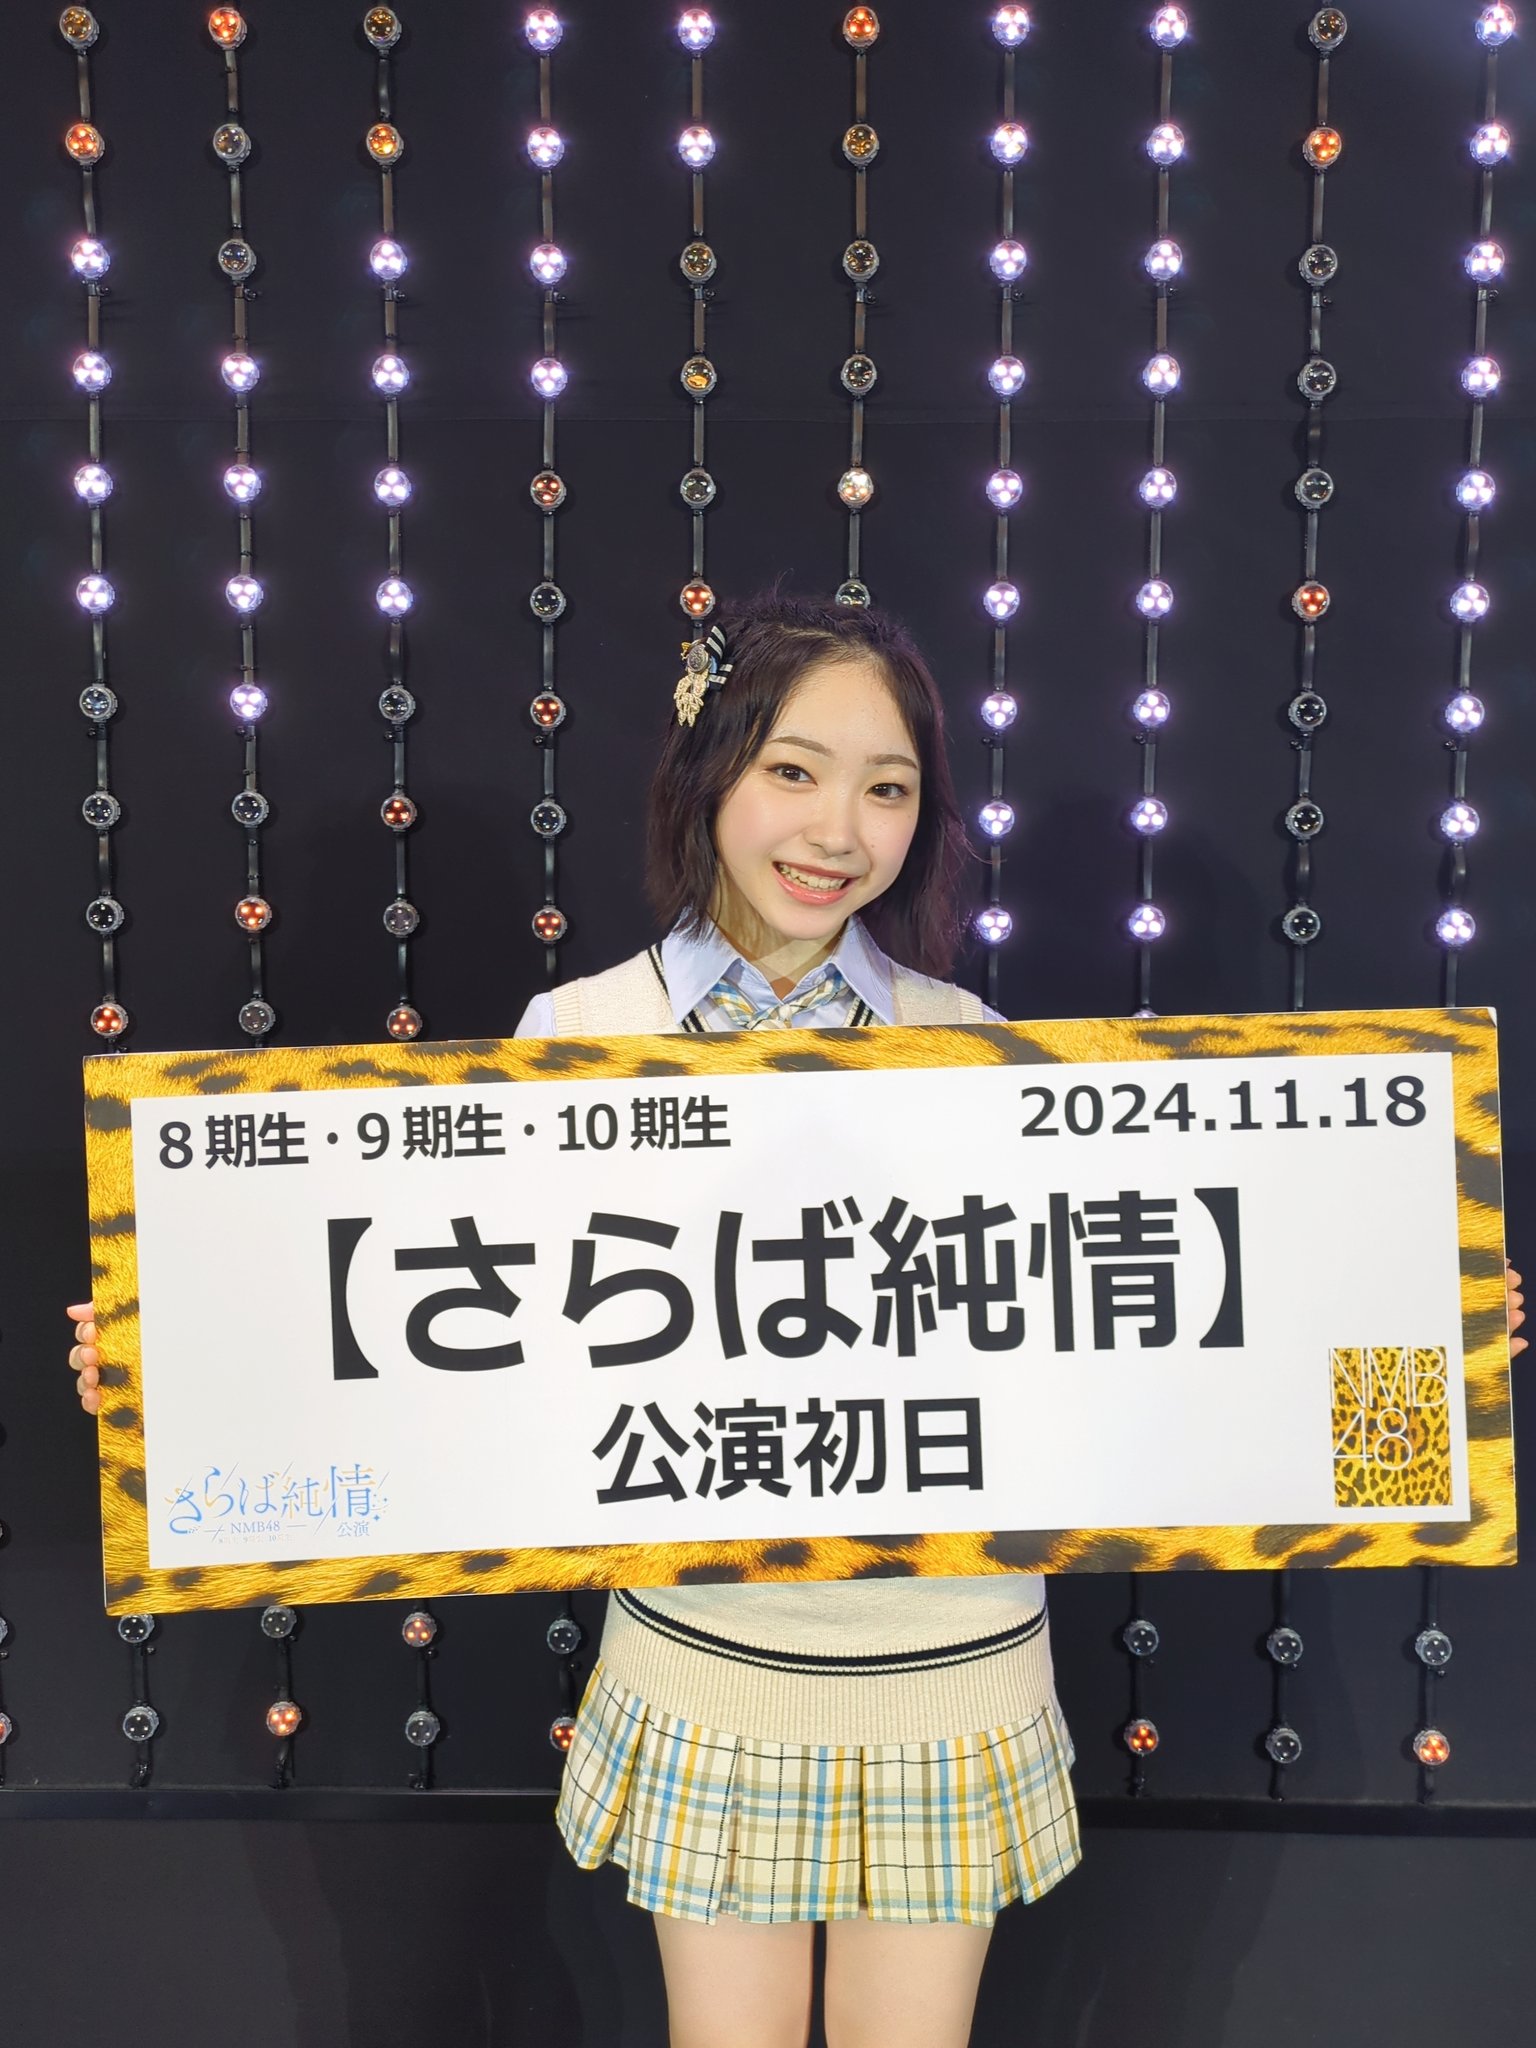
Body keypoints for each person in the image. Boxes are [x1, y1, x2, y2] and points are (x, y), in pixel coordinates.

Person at [66, 590, 1529, 2048]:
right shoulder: (574, 1041)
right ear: (710, 774)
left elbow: (1147, 1327)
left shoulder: (971, 1046)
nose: (839, 829)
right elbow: (435, 1342)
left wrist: (1419, 1312)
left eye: (888, 788)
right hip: (711, 1661)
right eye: (795, 770)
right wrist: (177, 1367)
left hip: (951, 1665)